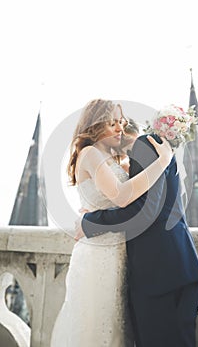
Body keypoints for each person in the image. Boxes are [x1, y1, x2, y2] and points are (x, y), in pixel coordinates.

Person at [50, 99, 173, 347]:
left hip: (117, 252)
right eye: (112, 122)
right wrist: (162, 162)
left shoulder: (110, 157)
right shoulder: (90, 153)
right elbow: (122, 195)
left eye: (122, 121)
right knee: (97, 328)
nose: (120, 127)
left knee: (116, 328)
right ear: (95, 124)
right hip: (98, 256)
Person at [77, 115, 198, 346]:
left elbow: (144, 212)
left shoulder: (145, 145)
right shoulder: (154, 149)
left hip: (162, 274)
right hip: (170, 269)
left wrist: (90, 221)